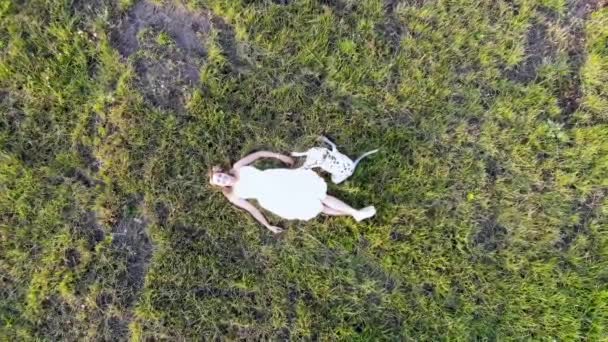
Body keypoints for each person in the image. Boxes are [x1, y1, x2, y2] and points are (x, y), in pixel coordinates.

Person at [209, 151, 376, 233]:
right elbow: (252, 209)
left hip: (279, 179)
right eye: (219, 181)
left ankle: (355, 212)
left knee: (320, 195)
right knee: (317, 207)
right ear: (220, 186)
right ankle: (353, 213)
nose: (222, 179)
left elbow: (258, 154)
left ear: (223, 172)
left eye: (220, 176)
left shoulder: (238, 167)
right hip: (272, 197)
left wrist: (279, 156)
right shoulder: (233, 195)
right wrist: (267, 225)